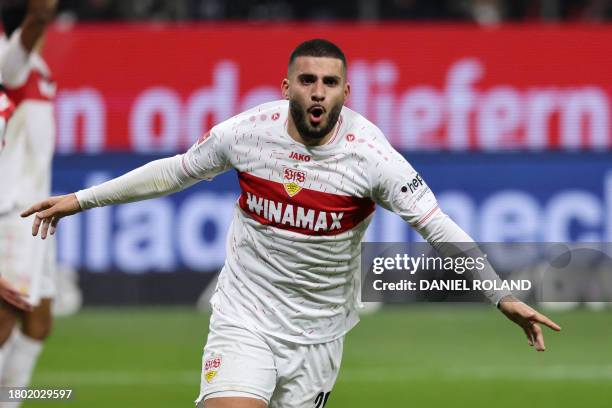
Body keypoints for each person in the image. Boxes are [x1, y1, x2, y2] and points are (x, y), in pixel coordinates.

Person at [22, 39, 561, 408]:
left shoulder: (372, 157)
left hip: (319, 335)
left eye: (330, 82)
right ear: (287, 87)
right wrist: (80, 199)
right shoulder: (248, 133)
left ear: (347, 92)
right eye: (307, 80)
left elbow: (437, 225)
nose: (318, 91)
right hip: (244, 318)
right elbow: (174, 172)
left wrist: (499, 295)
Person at [0, 0, 58, 401]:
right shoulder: (10, 63)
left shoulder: (38, 69)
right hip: (10, 212)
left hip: (36, 211)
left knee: (39, 321)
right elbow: (40, 14)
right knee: (5, 320)